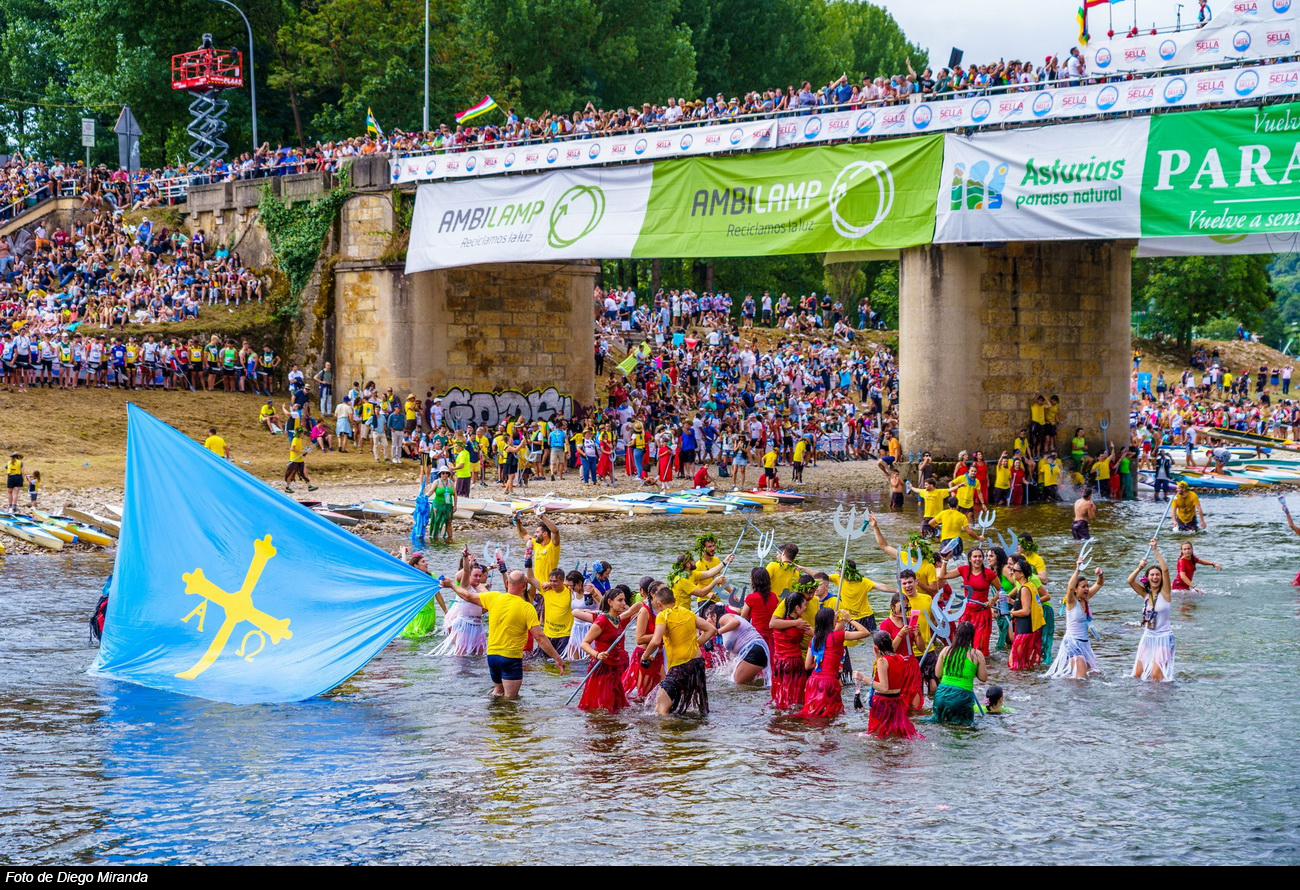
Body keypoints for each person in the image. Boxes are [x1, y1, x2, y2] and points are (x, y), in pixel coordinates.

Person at [441, 566, 566, 699]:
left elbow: (467, 596)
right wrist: (557, 657)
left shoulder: (494, 597)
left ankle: (485, 710)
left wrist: (452, 585)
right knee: (510, 700)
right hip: (510, 658)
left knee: (498, 692)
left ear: (507, 583)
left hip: (492, 657)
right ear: (524, 586)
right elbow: (540, 637)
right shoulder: (527, 608)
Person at [640, 584, 716, 717]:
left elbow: (656, 641)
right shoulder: (688, 613)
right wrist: (695, 644)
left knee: (660, 709)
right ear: (674, 600)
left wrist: (645, 656)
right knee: (691, 705)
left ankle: (670, 730)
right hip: (697, 663)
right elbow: (711, 629)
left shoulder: (663, 615)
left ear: (659, 604)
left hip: (681, 665)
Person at [575, 585, 645, 713]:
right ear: (610, 602)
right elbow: (584, 643)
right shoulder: (602, 620)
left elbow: (634, 611)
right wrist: (597, 654)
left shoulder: (618, 619)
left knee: (617, 707)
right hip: (602, 668)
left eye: (624, 600)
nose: (623, 603)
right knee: (603, 707)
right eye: (620, 600)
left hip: (615, 668)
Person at [798, 607, 870, 719]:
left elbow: (807, 665)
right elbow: (865, 633)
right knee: (833, 715)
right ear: (831, 622)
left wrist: (822, 663)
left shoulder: (814, 639)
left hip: (813, 682)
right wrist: (850, 620)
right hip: (829, 682)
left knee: (814, 714)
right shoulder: (838, 636)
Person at [857, 631, 924, 740]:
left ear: (875, 647)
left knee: (878, 735)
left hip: (883, 702)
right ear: (891, 641)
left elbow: (884, 688)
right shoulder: (900, 658)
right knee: (895, 733)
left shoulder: (882, 661)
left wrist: (863, 678)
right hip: (897, 701)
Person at [1046, 557, 1103, 680]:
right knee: (1081, 678)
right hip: (1072, 642)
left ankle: (1067, 686)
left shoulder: (1086, 599)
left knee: (1093, 674)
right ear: (1076, 590)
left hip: (1085, 643)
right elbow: (1070, 588)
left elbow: (1099, 584)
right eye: (1083, 586)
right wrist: (1077, 570)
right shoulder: (1071, 601)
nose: (1087, 589)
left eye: (1087, 586)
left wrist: (1100, 574)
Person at [1127, 540, 1175, 681]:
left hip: (1163, 636)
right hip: (1148, 636)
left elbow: (1165, 570)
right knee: (1138, 674)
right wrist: (1139, 567)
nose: (1155, 577)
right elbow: (1130, 581)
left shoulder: (1166, 593)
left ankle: (1162, 694)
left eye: (1157, 575)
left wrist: (1155, 550)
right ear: (1147, 578)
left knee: (1156, 675)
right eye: (1152, 575)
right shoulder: (1145, 594)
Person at [931, 621, 987, 726]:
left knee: (941, 726)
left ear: (956, 634)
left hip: (941, 695)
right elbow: (983, 678)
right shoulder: (976, 654)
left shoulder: (946, 650)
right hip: (962, 697)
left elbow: (938, 674)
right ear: (971, 636)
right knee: (963, 729)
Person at [623, 577, 665, 699]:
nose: (665, 594)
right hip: (645, 656)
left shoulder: (665, 609)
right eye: (662, 591)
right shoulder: (644, 610)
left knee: (664, 691)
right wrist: (661, 633)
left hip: (661, 655)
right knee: (643, 695)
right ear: (652, 594)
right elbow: (639, 639)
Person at [770, 591, 810, 709]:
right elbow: (818, 635)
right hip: (793, 663)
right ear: (797, 608)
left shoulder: (779, 623)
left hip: (778, 663)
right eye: (804, 605)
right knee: (796, 696)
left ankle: (781, 710)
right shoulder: (800, 624)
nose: (805, 608)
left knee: (781, 692)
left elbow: (772, 624)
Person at [714, 606, 771, 686]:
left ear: (714, 616)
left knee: (737, 685)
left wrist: (718, 632)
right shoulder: (725, 626)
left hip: (754, 648)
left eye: (707, 618)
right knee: (748, 684)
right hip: (756, 649)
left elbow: (736, 622)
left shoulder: (723, 618)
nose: (706, 622)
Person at [400, 550, 450, 639]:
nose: (426, 563)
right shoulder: (413, 578)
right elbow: (404, 568)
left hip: (431, 614)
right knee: (416, 639)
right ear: (416, 565)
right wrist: (403, 553)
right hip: (418, 615)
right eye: (423, 562)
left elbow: (438, 595)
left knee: (428, 638)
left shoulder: (432, 576)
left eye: (425, 561)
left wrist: (446, 611)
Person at [1007, 555, 1044, 671]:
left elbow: (1026, 611)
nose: (1012, 572)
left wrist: (1012, 613)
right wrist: (1013, 603)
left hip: (1025, 632)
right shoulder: (1030, 585)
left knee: (1015, 664)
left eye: (1015, 570)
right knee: (1024, 664)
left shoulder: (1024, 589)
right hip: (1031, 629)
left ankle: (1020, 681)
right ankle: (1027, 680)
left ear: (1022, 574)